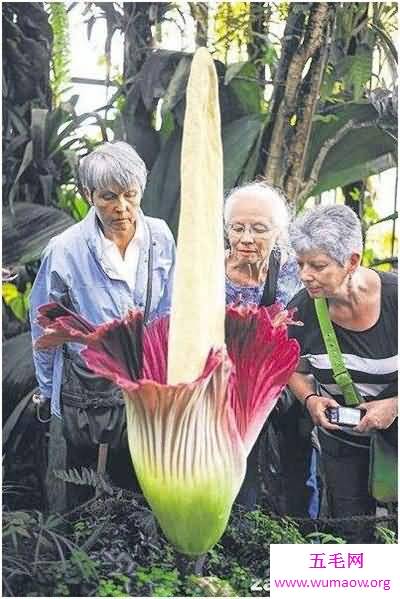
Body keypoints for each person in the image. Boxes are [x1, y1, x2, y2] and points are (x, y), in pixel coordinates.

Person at [29, 141, 176, 508]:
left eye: (131, 194)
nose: (122, 208)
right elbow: (44, 323)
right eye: (109, 196)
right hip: (87, 386)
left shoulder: (160, 237)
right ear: (87, 194)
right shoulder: (65, 249)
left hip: (146, 382)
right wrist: (49, 391)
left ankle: (132, 562)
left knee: (138, 484)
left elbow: (172, 309)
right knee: (81, 484)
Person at [287, 204, 398, 542]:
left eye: (318, 266)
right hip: (343, 443)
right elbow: (291, 367)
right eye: (301, 264)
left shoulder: (395, 298)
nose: (306, 275)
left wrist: (394, 405)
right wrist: (309, 399)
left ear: (352, 260)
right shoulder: (302, 308)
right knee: (353, 534)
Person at [224, 181, 318, 517]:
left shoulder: (298, 270)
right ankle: (240, 541)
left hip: (287, 388)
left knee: (298, 470)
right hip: (231, 395)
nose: (246, 238)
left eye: (259, 229)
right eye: (238, 228)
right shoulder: (209, 273)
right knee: (237, 472)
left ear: (279, 232)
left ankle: (297, 541)